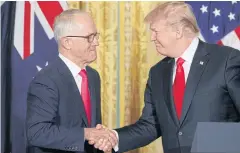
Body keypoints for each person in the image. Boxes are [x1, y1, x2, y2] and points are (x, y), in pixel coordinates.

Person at [91, 2, 240, 153]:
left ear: (178, 31)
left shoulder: (226, 60)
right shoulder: (157, 72)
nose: (152, 38)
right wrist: (115, 137)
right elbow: (151, 125)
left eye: (155, 31)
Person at [26, 9, 117, 153]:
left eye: (96, 36)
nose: (96, 43)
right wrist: (86, 134)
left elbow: (91, 127)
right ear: (67, 42)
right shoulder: (45, 80)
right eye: (90, 37)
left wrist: (101, 139)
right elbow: (37, 133)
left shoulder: (93, 76)